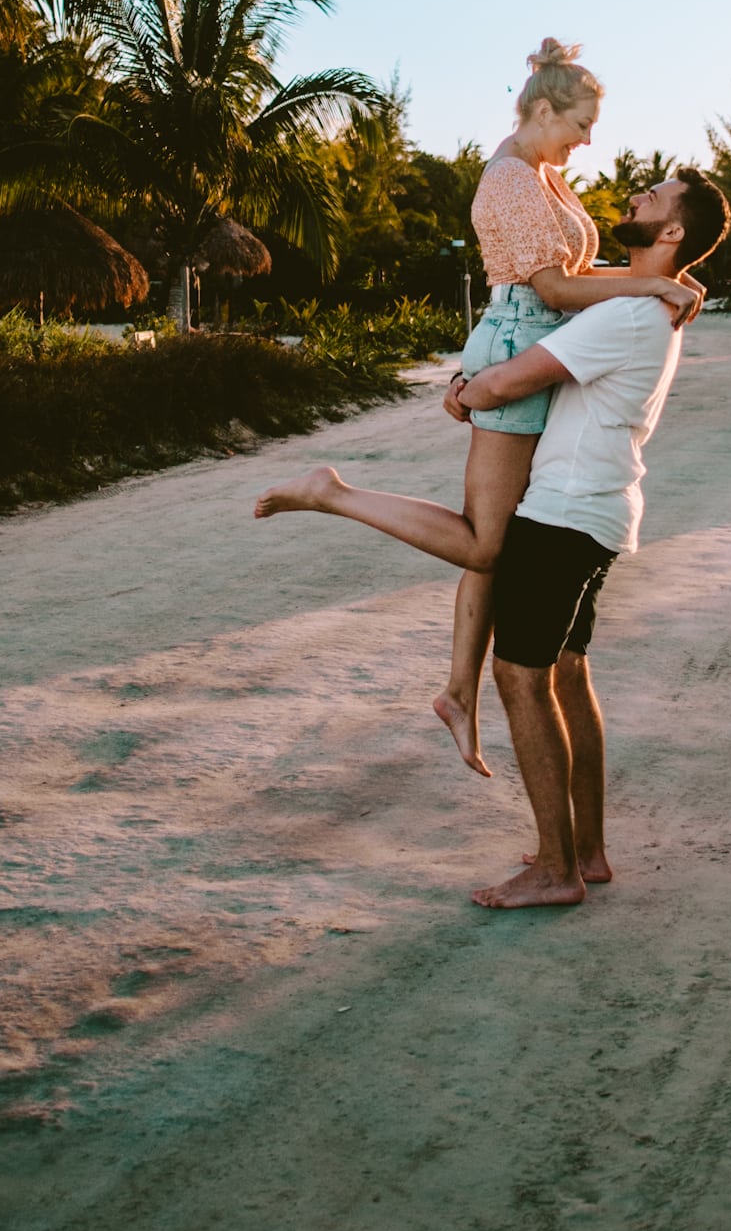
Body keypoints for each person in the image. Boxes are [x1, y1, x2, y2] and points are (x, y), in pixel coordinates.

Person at [255, 169, 731, 909]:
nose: (636, 196)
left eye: (654, 197)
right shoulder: (644, 305)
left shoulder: (629, 315)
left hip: (565, 512)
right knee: (566, 673)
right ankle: (588, 852)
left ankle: (554, 870)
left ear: (672, 234)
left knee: (519, 677)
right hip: (601, 510)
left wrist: (464, 391)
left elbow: (509, 383)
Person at [259, 39, 703, 780]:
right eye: (581, 122)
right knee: (485, 545)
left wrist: (661, 282)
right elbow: (553, 291)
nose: (589, 139)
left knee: (498, 536)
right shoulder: (509, 180)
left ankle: (458, 691)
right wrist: (652, 287)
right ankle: (329, 493)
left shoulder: (540, 173)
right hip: (515, 346)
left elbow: (567, 278)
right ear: (540, 109)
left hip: (523, 349)